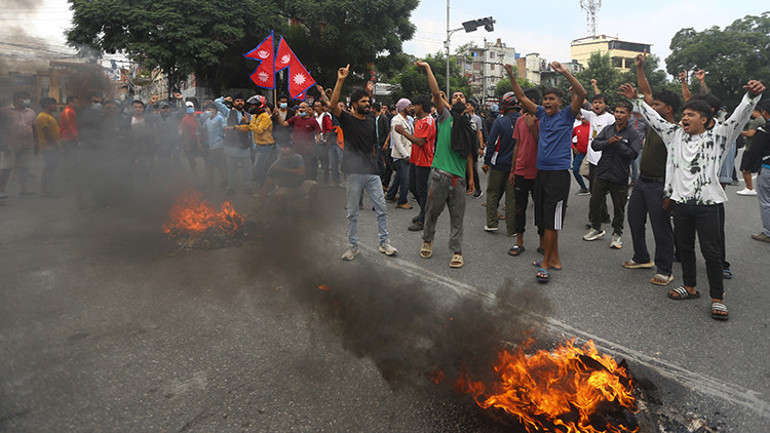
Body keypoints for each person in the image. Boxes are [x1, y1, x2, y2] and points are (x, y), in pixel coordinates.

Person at [619, 78, 765, 321]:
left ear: (705, 120)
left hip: (708, 205)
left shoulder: (720, 136)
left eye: (691, 115)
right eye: (684, 114)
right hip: (681, 204)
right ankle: (689, 287)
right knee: (685, 248)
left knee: (711, 252)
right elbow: (654, 119)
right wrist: (637, 101)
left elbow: (739, 117)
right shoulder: (674, 134)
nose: (684, 118)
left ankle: (717, 298)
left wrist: (751, 97)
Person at [504, 62, 587, 282]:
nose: (547, 102)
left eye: (552, 99)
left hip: (558, 176)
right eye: (545, 99)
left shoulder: (568, 115)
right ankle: (554, 259)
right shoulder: (541, 113)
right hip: (541, 173)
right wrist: (511, 75)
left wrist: (564, 72)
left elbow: (581, 93)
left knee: (552, 222)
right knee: (545, 219)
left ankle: (546, 264)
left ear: (560, 102)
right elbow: (521, 97)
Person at [622, 53, 680, 286]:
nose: (651, 106)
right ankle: (642, 257)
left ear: (668, 109)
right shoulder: (654, 124)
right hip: (642, 182)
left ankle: (665, 269)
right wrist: (639, 68)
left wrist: (670, 194)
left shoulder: (674, 130)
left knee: (661, 227)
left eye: (656, 105)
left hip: (659, 185)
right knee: (635, 219)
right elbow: (646, 93)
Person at [330, 64, 397, 261]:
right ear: (354, 104)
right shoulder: (347, 119)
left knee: (382, 209)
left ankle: (384, 243)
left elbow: (373, 145)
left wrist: (378, 161)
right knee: (352, 213)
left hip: (372, 172)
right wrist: (340, 80)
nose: (368, 104)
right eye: (363, 101)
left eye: (368, 101)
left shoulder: (370, 120)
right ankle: (353, 246)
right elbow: (333, 105)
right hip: (353, 172)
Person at [416, 60, 476, 268]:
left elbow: (469, 154)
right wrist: (428, 68)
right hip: (439, 176)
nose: (458, 98)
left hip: (459, 181)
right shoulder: (445, 117)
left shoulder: (468, 125)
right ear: (448, 101)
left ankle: (457, 251)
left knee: (457, 218)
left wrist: (471, 178)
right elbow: (435, 93)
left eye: (462, 96)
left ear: (467, 104)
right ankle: (427, 239)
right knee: (432, 212)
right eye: (455, 96)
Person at [582, 101, 642, 248]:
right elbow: (595, 145)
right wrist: (608, 142)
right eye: (616, 112)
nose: (618, 115)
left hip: (619, 176)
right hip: (602, 172)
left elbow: (633, 154)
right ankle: (596, 228)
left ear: (629, 115)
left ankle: (617, 234)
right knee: (595, 202)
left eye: (622, 112)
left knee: (619, 208)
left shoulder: (633, 134)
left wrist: (619, 145)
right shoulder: (608, 129)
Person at [508, 88, 544, 257]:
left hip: (538, 172)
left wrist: (532, 126)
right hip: (521, 170)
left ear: (533, 102)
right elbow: (517, 145)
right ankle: (519, 242)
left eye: (524, 101)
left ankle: (543, 243)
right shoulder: (520, 121)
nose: (521, 104)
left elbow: (543, 144)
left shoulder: (543, 121)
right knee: (519, 208)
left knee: (540, 209)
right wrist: (512, 170)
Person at [393, 95, 435, 231]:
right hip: (415, 159)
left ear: (420, 106)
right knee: (413, 187)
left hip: (424, 161)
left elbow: (421, 142)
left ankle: (424, 219)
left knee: (422, 190)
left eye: (414, 106)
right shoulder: (420, 120)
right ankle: (424, 211)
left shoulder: (428, 121)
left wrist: (403, 132)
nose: (412, 108)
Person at [482, 91, 520, 235]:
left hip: (498, 164)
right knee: (512, 198)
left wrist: (486, 162)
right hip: (516, 166)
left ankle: (492, 223)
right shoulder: (523, 121)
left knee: (492, 192)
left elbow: (492, 143)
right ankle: (512, 229)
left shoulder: (500, 121)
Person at [582, 83, 614, 225]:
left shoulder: (610, 118)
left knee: (596, 192)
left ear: (605, 105)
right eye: (595, 102)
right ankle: (604, 216)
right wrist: (574, 93)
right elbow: (578, 104)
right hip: (592, 160)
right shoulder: (591, 115)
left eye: (600, 102)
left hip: (603, 160)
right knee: (596, 190)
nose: (597, 105)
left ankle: (594, 219)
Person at [256, 145, 318, 214]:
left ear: (293, 153)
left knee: (314, 185)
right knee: (279, 197)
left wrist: (281, 169)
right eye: (282, 155)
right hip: (286, 188)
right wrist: (259, 203)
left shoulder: (298, 158)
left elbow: (301, 171)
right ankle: (285, 210)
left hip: (300, 186)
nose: (284, 157)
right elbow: (267, 185)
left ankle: (311, 210)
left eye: (288, 155)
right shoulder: (275, 165)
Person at [741, 100, 770, 242]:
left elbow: (755, 151)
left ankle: (768, 232)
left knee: (766, 201)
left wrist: (748, 167)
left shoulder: (764, 129)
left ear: (764, 112)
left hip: (767, 167)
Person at [0, 91, 37, 197]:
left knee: (24, 167)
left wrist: (36, 141)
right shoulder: (5, 111)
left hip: (27, 144)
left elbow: (34, 127)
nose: (27, 101)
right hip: (10, 144)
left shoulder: (31, 112)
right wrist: (2, 143)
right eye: (25, 98)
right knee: (6, 168)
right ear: (17, 99)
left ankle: (23, 189)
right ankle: (1, 190)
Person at [274, 101, 321, 181]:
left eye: (303, 107)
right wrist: (277, 115)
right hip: (296, 150)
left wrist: (317, 141)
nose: (301, 109)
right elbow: (284, 124)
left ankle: (310, 183)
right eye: (299, 107)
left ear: (308, 109)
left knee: (308, 169)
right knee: (298, 168)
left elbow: (318, 133)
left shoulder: (312, 121)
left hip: (308, 151)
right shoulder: (296, 119)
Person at [217, 94, 252, 194]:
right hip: (231, 145)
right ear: (233, 103)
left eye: (242, 101)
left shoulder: (249, 116)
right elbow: (217, 102)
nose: (240, 102)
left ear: (244, 103)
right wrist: (225, 99)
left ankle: (247, 187)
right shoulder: (228, 112)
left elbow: (251, 130)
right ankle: (230, 187)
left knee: (247, 169)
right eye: (237, 101)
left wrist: (253, 146)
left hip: (245, 145)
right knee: (231, 168)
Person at [386, 98, 413, 209]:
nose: (411, 108)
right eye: (409, 106)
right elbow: (397, 141)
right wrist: (405, 155)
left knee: (399, 177)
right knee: (405, 180)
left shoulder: (408, 120)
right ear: (403, 108)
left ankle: (390, 195)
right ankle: (402, 201)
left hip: (408, 153)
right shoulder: (396, 120)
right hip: (401, 156)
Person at [36, 97, 62, 197]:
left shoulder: (49, 116)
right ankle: (47, 190)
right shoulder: (43, 116)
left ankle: (47, 190)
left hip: (52, 146)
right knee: (49, 169)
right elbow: (46, 132)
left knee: (50, 168)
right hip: (49, 147)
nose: (55, 106)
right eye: (53, 104)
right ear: (47, 105)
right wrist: (55, 145)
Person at [736, 108, 765, 196]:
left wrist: (739, 131)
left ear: (756, 111)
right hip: (757, 148)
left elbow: (750, 133)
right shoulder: (763, 121)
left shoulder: (756, 121)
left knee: (745, 169)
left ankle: (749, 188)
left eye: (752, 111)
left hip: (750, 148)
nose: (750, 113)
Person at [201, 103, 228, 188]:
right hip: (211, 146)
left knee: (219, 164)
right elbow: (203, 129)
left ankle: (223, 181)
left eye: (209, 109)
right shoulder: (207, 120)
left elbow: (225, 129)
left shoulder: (219, 118)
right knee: (212, 164)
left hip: (219, 145)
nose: (208, 111)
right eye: (206, 110)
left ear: (215, 110)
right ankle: (213, 182)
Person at [313, 99, 334, 185]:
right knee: (315, 160)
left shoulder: (326, 116)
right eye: (315, 106)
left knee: (325, 162)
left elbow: (329, 129)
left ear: (322, 107)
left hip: (323, 142)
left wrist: (325, 140)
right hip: (315, 141)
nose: (316, 108)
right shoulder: (315, 116)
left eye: (318, 106)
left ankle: (326, 180)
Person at [571, 113, 590, 195]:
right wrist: (573, 147)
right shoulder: (577, 128)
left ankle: (596, 186)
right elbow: (568, 137)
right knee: (575, 169)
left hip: (591, 154)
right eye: (581, 116)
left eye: (584, 116)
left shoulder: (593, 127)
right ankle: (583, 188)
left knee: (590, 172)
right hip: (580, 153)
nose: (583, 117)